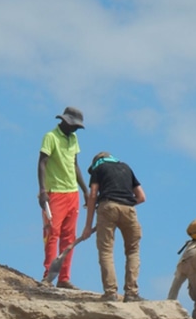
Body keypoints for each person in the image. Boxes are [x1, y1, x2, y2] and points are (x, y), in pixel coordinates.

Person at [79, 152, 146, 302]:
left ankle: (110, 293)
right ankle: (132, 293)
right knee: (133, 251)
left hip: (107, 206)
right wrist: (124, 204)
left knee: (106, 251)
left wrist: (88, 226)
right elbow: (141, 197)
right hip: (129, 209)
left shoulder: (99, 168)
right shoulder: (126, 168)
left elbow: (93, 195)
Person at [38, 107, 88, 289]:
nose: (75, 129)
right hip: (55, 192)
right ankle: (48, 276)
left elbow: (75, 166)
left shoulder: (74, 138)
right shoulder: (50, 137)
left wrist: (85, 190)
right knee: (52, 234)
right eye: (73, 125)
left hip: (72, 193)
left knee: (69, 237)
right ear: (65, 121)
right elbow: (42, 163)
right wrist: (42, 190)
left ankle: (64, 278)